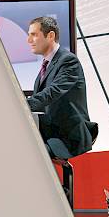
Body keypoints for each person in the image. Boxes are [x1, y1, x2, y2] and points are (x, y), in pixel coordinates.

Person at [26, 16, 96, 157]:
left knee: (27, 153)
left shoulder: (68, 61)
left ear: (50, 35)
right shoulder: (46, 66)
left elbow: (52, 92)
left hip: (68, 137)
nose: (29, 40)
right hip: (49, 132)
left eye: (34, 35)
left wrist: (21, 105)